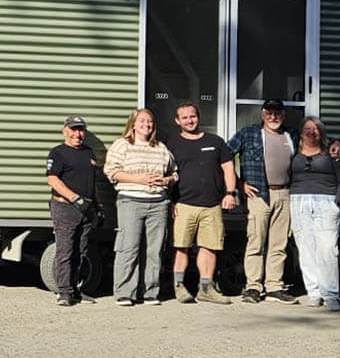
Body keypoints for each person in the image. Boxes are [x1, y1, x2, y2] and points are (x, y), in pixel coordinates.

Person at [225, 98, 300, 305]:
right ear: (262, 114)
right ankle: (253, 287)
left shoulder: (292, 135)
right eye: (269, 113)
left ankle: (275, 285)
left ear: (283, 115)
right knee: (256, 241)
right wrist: (239, 185)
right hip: (258, 194)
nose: (273, 117)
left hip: (285, 193)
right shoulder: (248, 133)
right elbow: (225, 156)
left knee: (279, 243)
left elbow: (314, 147)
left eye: (277, 113)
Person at [168, 102, 239, 304]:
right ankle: (179, 287)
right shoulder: (172, 144)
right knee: (181, 246)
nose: (190, 121)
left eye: (193, 116)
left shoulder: (215, 141)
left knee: (209, 246)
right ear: (177, 121)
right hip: (183, 204)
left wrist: (230, 193)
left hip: (212, 205)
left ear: (198, 117)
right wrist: (170, 201)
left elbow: (227, 168)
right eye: (185, 118)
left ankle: (206, 288)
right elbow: (167, 174)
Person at [104, 108, 176, 306]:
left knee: (154, 250)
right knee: (129, 248)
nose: (147, 124)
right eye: (142, 121)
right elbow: (111, 171)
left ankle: (150, 292)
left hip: (158, 203)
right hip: (131, 201)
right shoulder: (122, 145)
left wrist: (166, 180)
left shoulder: (160, 148)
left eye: (150, 121)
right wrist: (139, 179)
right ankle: (125, 292)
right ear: (133, 124)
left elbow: (174, 173)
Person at [289, 116, 340, 312]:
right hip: (298, 201)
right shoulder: (293, 152)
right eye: (307, 128)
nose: (311, 131)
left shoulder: (332, 153)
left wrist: (337, 203)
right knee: (306, 249)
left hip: (326, 202)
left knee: (328, 250)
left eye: (316, 129)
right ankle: (314, 292)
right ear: (301, 132)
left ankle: (330, 294)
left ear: (321, 132)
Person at [45, 115, 99, 307]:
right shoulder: (58, 153)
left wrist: (97, 206)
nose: (78, 134)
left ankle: (77, 289)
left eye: (81, 130)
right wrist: (75, 198)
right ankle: (64, 292)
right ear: (65, 131)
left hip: (87, 208)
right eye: (74, 129)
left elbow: (92, 183)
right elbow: (52, 179)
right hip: (65, 207)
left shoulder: (88, 153)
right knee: (65, 250)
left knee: (81, 251)